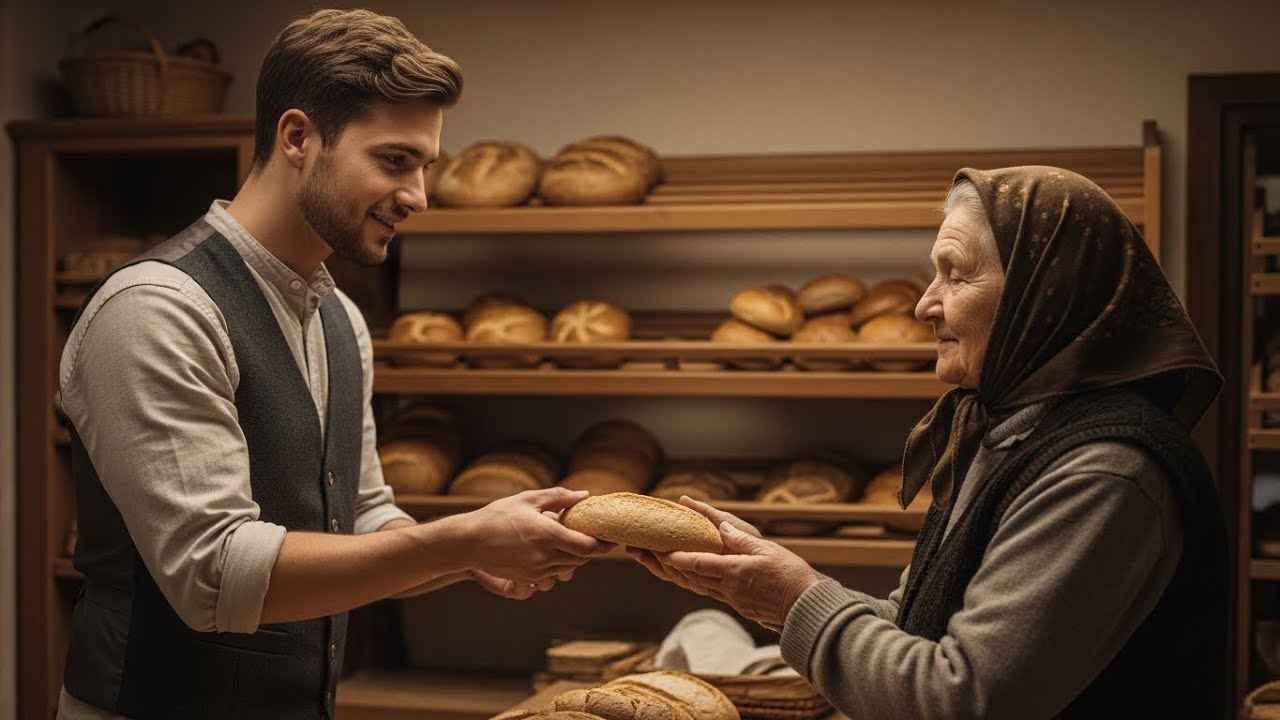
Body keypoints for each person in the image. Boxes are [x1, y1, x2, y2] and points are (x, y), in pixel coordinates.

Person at [56, 9, 610, 720]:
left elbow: (367, 521)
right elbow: (214, 574)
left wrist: (469, 555)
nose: (418, 197)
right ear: (297, 137)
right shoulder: (158, 308)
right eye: (393, 160)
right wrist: (462, 538)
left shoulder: (340, 319)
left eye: (425, 167)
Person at [631, 166, 1229, 719]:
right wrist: (769, 589)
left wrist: (794, 599)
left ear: (1044, 293)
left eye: (956, 273)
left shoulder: (1101, 472)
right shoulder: (1007, 431)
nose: (924, 305)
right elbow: (922, 634)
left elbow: (961, 698)